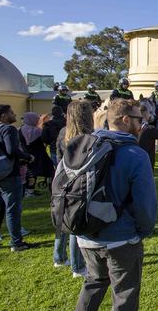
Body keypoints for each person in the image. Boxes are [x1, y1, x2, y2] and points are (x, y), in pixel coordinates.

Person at [75, 99, 157, 311]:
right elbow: (145, 204)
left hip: (85, 236)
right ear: (126, 120)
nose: (143, 125)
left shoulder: (84, 146)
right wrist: (143, 231)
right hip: (120, 239)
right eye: (140, 119)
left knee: (93, 282)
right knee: (125, 294)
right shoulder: (136, 155)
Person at [54, 101, 92, 278]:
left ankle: (59, 257)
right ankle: (78, 266)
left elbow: (59, 157)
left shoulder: (63, 133)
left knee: (62, 222)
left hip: (61, 181)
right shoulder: (86, 136)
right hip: (77, 185)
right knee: (75, 225)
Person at [0, 104, 37, 251]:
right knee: (12, 209)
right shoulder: (8, 129)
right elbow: (11, 150)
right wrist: (27, 157)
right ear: (3, 116)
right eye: (11, 113)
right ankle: (16, 242)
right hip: (8, 174)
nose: (14, 115)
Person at [18, 112, 54, 197]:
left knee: (29, 172)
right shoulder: (37, 130)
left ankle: (28, 190)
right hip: (39, 154)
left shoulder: (20, 130)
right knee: (45, 171)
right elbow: (44, 140)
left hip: (26, 153)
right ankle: (32, 191)